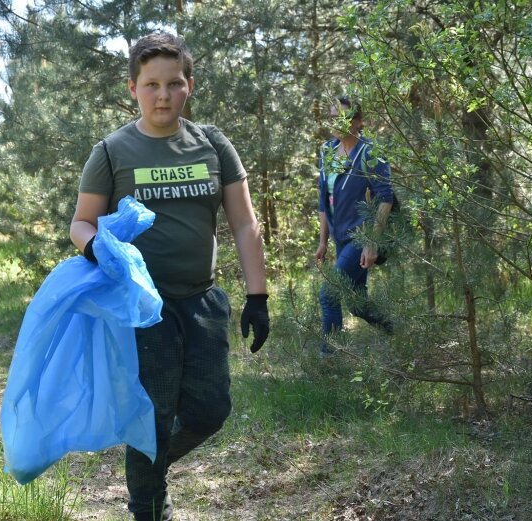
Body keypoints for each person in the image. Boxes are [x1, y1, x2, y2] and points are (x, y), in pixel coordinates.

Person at [69, 32, 269, 521]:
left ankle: (148, 472)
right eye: (151, 84)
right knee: (152, 415)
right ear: (133, 88)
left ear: (189, 86)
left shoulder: (212, 145)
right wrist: (97, 247)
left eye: (174, 83)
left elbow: (244, 223)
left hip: (202, 301)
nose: (163, 95)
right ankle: (147, 507)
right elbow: (80, 222)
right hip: (141, 307)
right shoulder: (113, 151)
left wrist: (257, 295)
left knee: (210, 410)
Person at [316, 97, 394, 357]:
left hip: (361, 236)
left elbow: (386, 198)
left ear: (359, 121)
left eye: (345, 117)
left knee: (329, 294)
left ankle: (331, 359)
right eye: (333, 116)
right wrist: (323, 241)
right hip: (339, 237)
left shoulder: (370, 152)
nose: (338, 122)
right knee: (357, 305)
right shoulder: (327, 150)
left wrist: (372, 242)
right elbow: (324, 199)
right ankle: (398, 331)